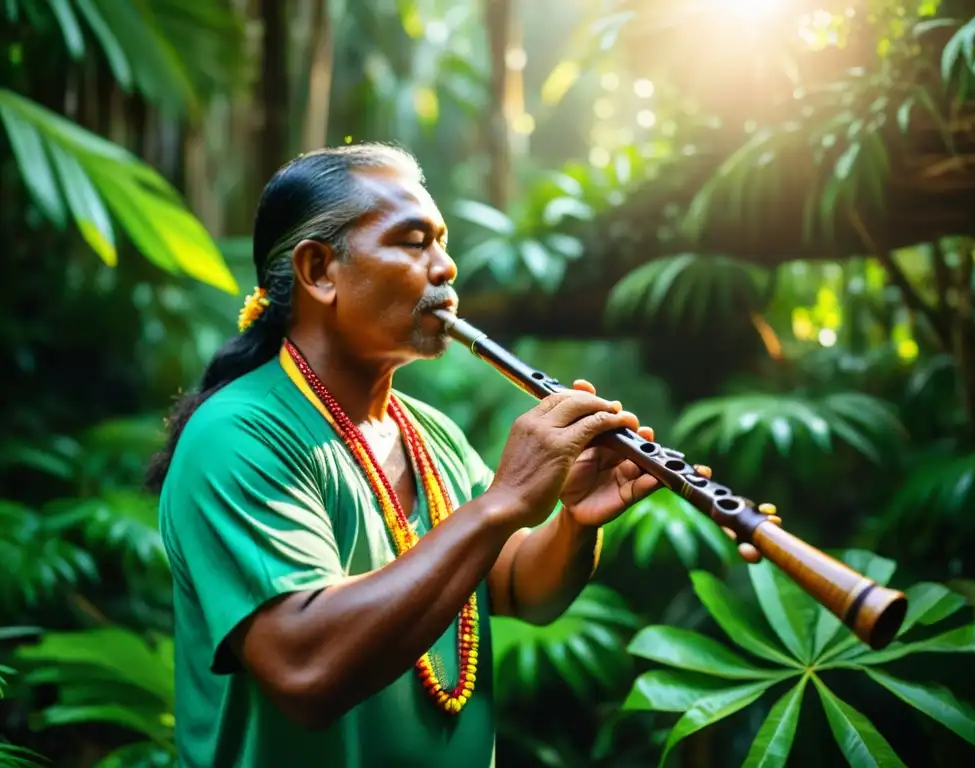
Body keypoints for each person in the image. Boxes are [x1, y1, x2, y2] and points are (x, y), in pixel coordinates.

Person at [147, 143, 779, 768]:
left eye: (441, 241)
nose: (445, 267)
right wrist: (504, 502)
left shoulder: (430, 433)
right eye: (413, 241)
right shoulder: (238, 435)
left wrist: (575, 523)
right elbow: (305, 668)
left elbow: (516, 586)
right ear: (319, 271)